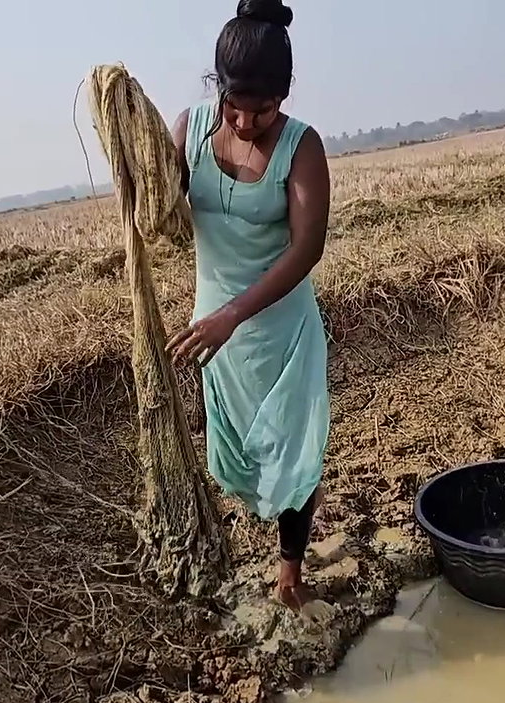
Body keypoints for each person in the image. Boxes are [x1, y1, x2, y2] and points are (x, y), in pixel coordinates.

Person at [166, 0, 331, 614]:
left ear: (284, 95)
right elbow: (158, 205)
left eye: (261, 110)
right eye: (234, 105)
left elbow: (306, 248)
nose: (244, 121)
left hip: (279, 329)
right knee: (235, 454)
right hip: (215, 332)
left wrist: (234, 315)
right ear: (219, 86)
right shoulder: (189, 130)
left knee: (294, 452)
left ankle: (289, 570)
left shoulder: (300, 147)